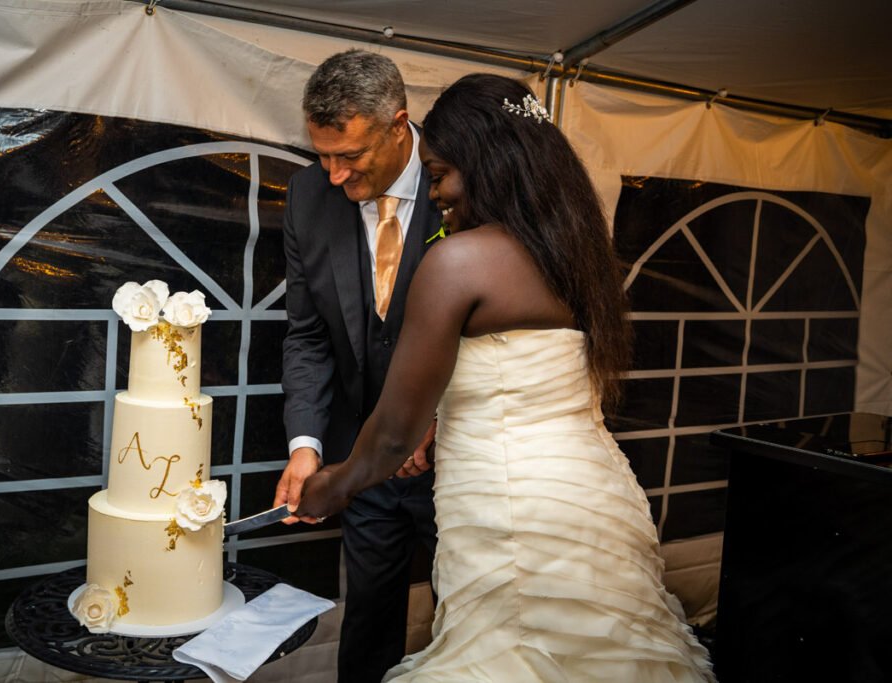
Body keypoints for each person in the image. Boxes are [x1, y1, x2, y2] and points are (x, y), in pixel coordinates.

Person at [295, 73, 716, 682]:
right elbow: (520, 380)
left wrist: (332, 488)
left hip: (513, 513)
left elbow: (390, 436)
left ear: (486, 163)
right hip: (597, 503)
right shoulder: (578, 255)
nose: (437, 193)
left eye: (440, 175)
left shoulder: (457, 262)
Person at [272, 49, 442, 683]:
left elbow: (497, 332)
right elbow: (308, 334)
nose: (335, 174)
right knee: (368, 623)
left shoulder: (467, 182)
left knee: (475, 617)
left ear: (398, 125)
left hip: (460, 462)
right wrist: (306, 444)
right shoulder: (308, 196)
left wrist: (438, 422)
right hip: (362, 461)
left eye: (351, 156)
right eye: (322, 154)